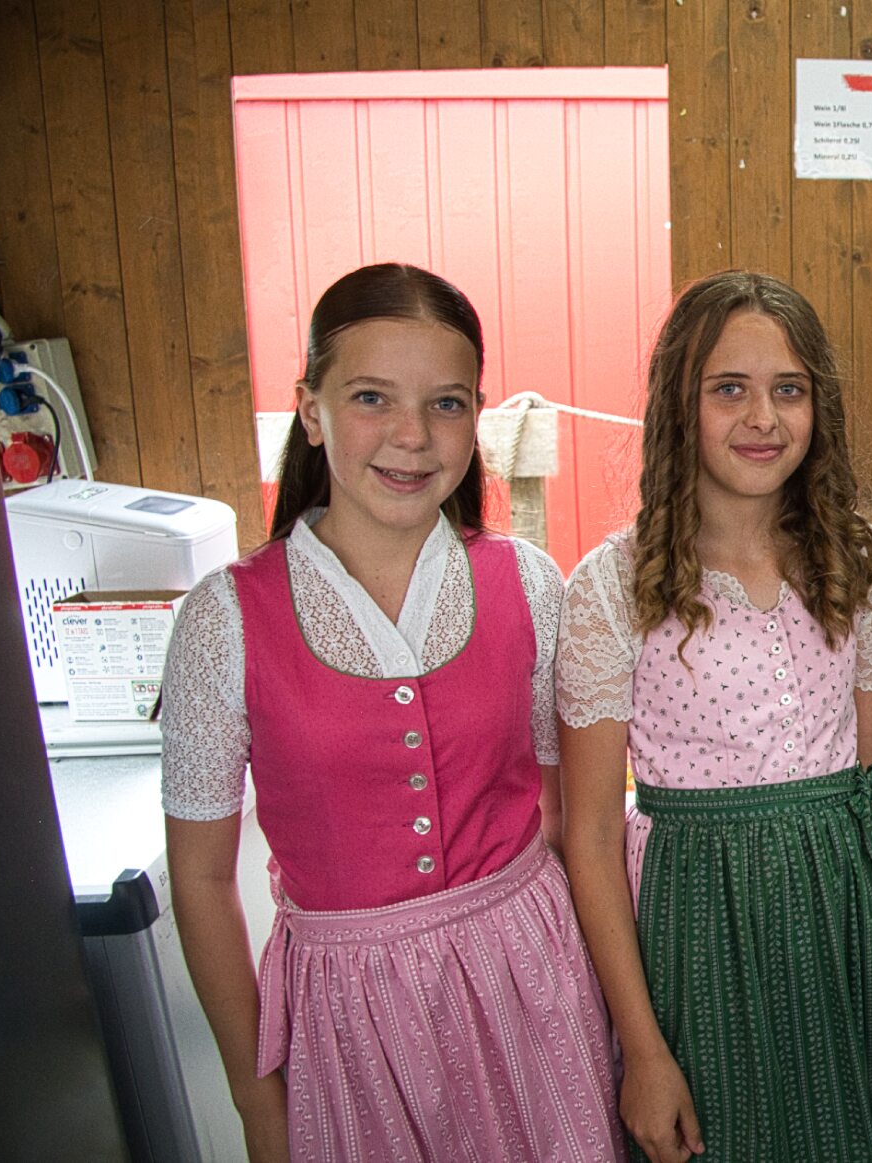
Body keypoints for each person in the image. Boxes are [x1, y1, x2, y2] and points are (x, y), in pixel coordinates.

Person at [161, 263, 623, 1163]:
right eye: (371, 396)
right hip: (350, 1018)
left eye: (445, 404)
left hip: (534, 988)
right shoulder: (226, 619)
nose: (412, 436)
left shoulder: (529, 584)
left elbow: (565, 819)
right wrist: (257, 1100)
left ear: (476, 415)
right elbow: (203, 881)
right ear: (310, 409)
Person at [556, 271, 872, 1163]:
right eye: (729, 388)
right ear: (677, 405)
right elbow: (591, 835)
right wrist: (644, 1048)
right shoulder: (613, 587)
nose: (762, 417)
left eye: (788, 389)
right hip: (702, 922)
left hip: (841, 912)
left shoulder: (851, 561)